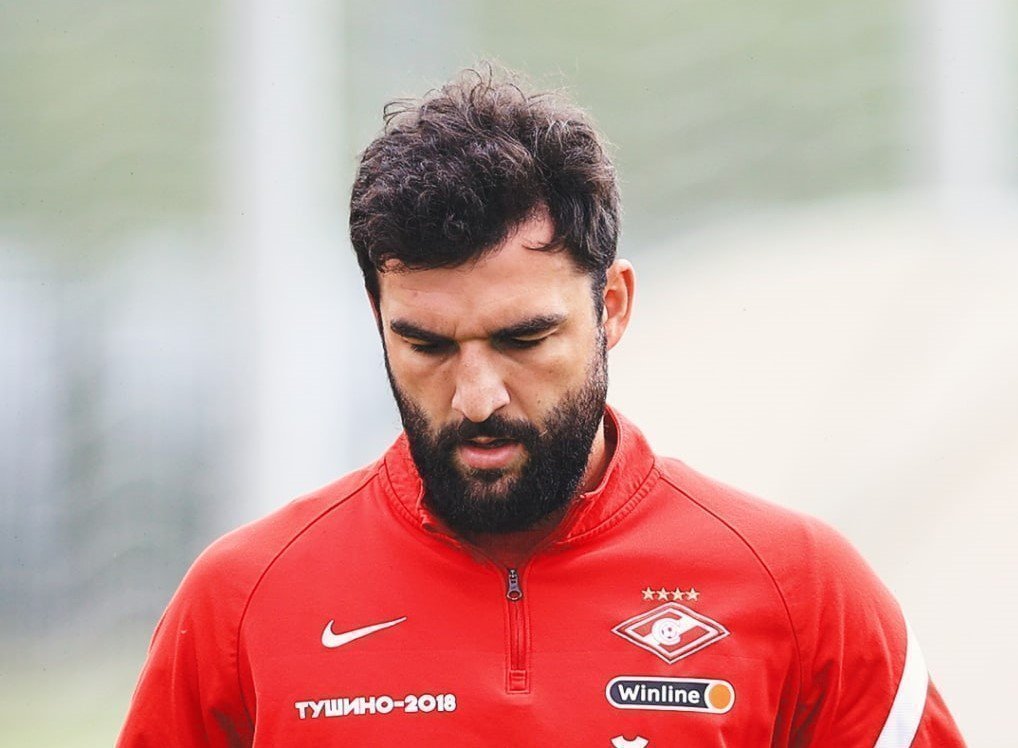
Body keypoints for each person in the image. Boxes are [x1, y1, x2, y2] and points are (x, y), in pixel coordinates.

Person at [118, 68, 966, 747]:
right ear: (377, 320)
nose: (477, 397)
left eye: (524, 339)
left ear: (613, 308)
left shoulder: (801, 591)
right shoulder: (241, 603)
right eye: (427, 345)